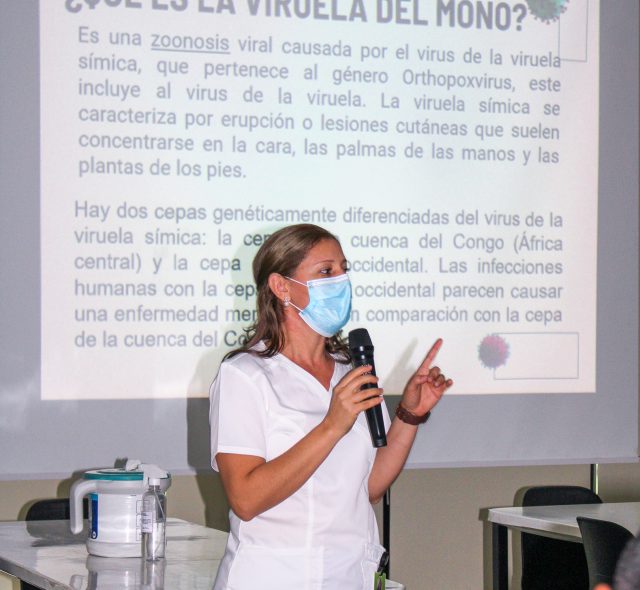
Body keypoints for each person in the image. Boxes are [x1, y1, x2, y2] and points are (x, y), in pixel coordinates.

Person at [209, 224, 453, 589]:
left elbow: (368, 488)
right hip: (275, 577)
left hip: (350, 576)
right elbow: (245, 499)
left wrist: (410, 414)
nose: (341, 281)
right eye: (326, 271)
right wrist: (331, 426)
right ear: (281, 286)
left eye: (343, 269)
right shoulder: (244, 375)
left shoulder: (350, 369)